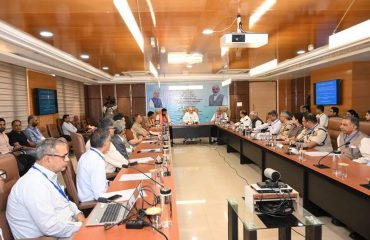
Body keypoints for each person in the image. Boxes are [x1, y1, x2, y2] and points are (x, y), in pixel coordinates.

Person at [6, 138, 85, 239]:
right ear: (48, 159)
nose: (67, 159)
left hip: (67, 229)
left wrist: (78, 214)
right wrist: (82, 225)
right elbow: (50, 227)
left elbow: (64, 201)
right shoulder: (33, 185)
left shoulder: (46, 175)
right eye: (64, 156)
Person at [77, 129, 110, 202]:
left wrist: (108, 183)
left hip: (87, 196)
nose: (110, 143)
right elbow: (99, 195)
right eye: (109, 141)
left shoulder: (87, 154)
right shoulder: (96, 161)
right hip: (92, 202)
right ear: (105, 143)